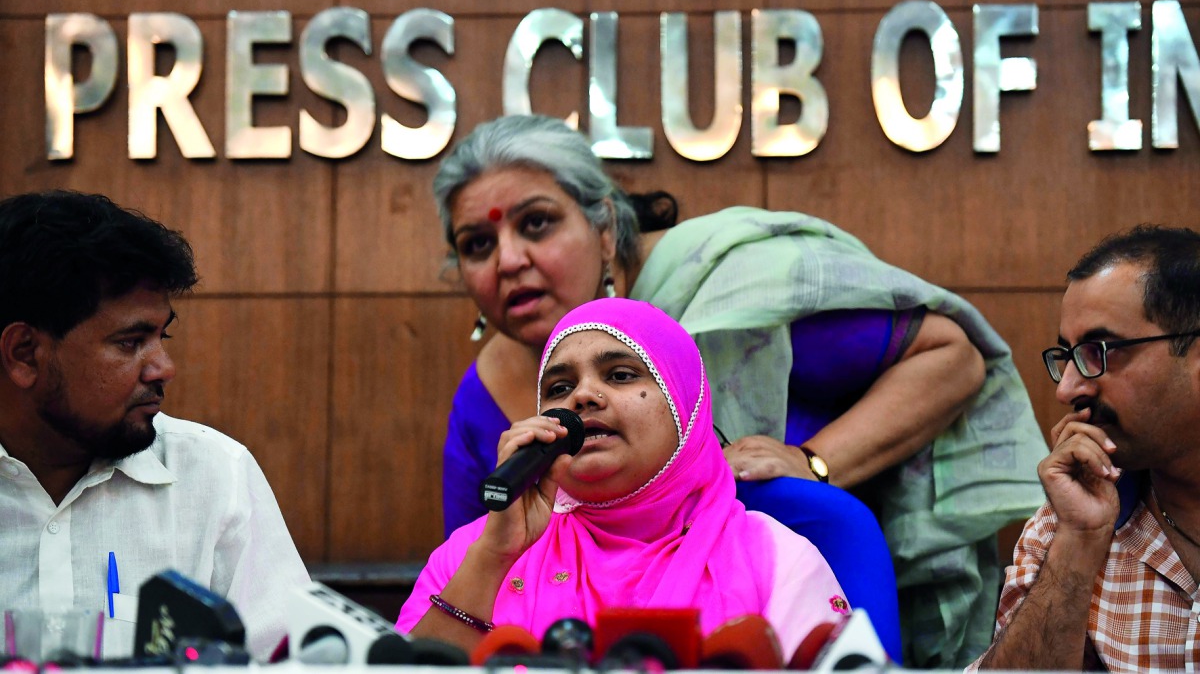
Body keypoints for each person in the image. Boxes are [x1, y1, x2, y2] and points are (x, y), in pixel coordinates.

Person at [432, 114, 1047, 667]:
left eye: (536, 223)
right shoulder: (480, 401)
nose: (508, 259)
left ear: (604, 227)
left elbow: (951, 356)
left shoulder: (730, 295)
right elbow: (477, 591)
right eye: (477, 245)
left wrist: (814, 461)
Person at [398, 297, 851, 659]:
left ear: (685, 408)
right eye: (559, 388)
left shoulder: (775, 560)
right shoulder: (470, 555)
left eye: (619, 375)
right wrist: (494, 556)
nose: (584, 397)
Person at [0, 190, 309, 661]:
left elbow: (290, 663)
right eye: (130, 342)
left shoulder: (214, 474)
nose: (163, 368)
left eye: (161, 336)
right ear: (25, 353)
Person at [973, 225, 1200, 672]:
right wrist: (1079, 540)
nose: (1068, 389)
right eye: (1068, 356)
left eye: (1099, 350)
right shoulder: (1069, 520)